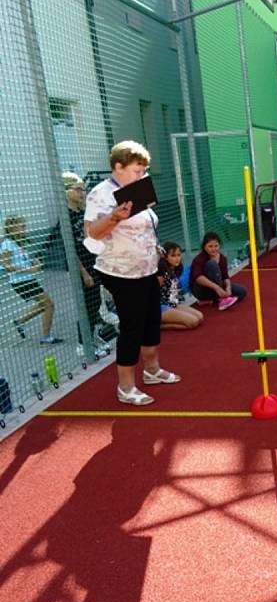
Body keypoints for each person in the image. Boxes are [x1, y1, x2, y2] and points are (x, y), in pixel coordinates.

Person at [84, 140, 181, 406]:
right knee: (132, 327)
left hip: (146, 267)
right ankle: (125, 387)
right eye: (138, 170)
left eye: (144, 169)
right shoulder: (100, 194)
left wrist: (155, 248)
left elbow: (146, 223)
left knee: (151, 321)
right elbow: (92, 233)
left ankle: (152, 371)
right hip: (121, 271)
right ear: (118, 166)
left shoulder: (138, 187)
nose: (142, 174)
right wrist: (115, 217)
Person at [63, 172, 110, 358]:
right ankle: (83, 344)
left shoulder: (82, 214)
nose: (82, 193)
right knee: (87, 305)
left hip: (94, 262)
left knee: (95, 302)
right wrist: (84, 273)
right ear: (67, 191)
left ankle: (90, 337)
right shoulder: (65, 217)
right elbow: (71, 251)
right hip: (82, 267)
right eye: (78, 189)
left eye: (83, 189)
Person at [1, 216, 63, 345]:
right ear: (12, 228)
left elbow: (23, 261)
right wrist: (30, 269)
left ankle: (20, 321)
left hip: (28, 279)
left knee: (44, 305)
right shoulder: (7, 244)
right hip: (21, 282)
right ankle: (46, 337)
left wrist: (35, 263)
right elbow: (6, 266)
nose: (25, 229)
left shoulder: (19, 241)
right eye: (22, 226)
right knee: (49, 305)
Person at [190, 231, 247, 310]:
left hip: (216, 288)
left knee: (242, 291)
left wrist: (228, 288)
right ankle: (222, 300)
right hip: (201, 289)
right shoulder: (199, 259)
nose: (213, 249)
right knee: (212, 265)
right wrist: (217, 288)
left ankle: (211, 300)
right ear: (204, 247)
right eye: (210, 246)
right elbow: (198, 277)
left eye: (216, 246)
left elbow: (225, 276)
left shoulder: (222, 258)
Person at [158, 241, 204, 330]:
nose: (177, 258)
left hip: (172, 304)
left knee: (200, 317)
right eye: (173, 256)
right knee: (192, 322)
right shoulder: (161, 274)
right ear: (165, 257)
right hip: (159, 307)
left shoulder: (175, 270)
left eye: (178, 255)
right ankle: (158, 326)